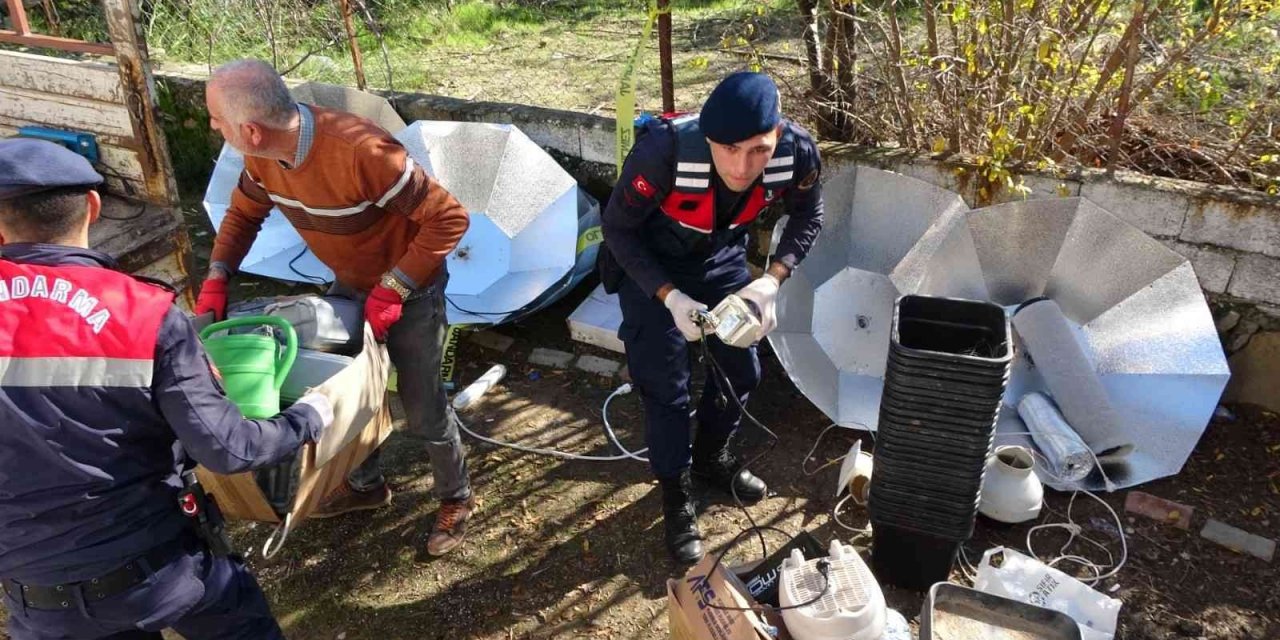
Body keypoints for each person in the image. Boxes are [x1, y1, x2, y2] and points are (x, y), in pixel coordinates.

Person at [0, 138, 335, 639]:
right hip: (164, 569)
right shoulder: (144, 314)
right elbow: (229, 447)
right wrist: (310, 416)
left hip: (40, 599)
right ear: (93, 207)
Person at [196, 59, 476, 556]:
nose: (213, 128)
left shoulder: (361, 152)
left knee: (423, 407)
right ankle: (365, 486)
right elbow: (242, 216)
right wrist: (218, 275)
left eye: (217, 119)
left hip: (409, 290)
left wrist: (395, 287)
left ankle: (457, 499)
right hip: (349, 282)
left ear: (252, 130)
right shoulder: (262, 160)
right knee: (348, 390)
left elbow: (449, 219)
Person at [599, 71, 824, 563]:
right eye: (729, 150)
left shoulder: (797, 151)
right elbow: (617, 229)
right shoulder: (664, 150)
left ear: (778, 134)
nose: (743, 167)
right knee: (666, 384)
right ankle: (676, 489)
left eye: (759, 150)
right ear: (708, 138)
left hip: (720, 258)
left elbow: (810, 215)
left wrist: (772, 279)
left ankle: (710, 457)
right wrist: (669, 297)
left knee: (742, 368)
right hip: (652, 264)